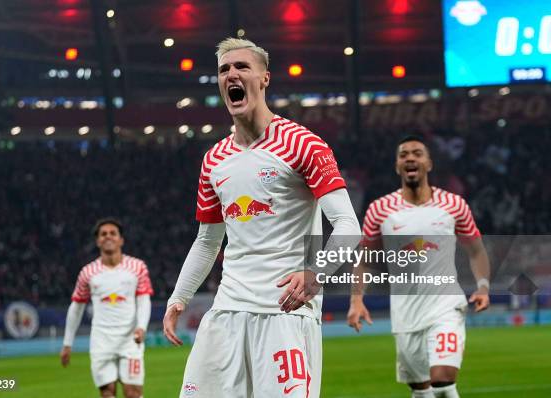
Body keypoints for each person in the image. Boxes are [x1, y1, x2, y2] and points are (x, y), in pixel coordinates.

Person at [163, 37, 361, 398]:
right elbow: (207, 241)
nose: (231, 75)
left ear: (264, 78)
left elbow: (349, 227)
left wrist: (316, 275)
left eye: (242, 67)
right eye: (224, 70)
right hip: (226, 312)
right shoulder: (214, 160)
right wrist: (179, 297)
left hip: (285, 312)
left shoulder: (303, 144)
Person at [347, 135, 491, 398]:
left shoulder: (454, 205)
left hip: (445, 305)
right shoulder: (380, 210)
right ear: (397, 166)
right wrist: (357, 301)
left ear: (429, 163)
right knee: (421, 390)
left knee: (443, 381)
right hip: (406, 312)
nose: (410, 158)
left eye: (417, 153)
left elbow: (476, 249)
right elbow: (365, 260)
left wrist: (483, 286)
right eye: (403, 155)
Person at [60, 218, 153, 398]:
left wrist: (142, 327)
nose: (108, 237)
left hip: (130, 340)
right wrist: (67, 343)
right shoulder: (88, 273)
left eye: (112, 233)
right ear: (97, 241)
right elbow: (76, 308)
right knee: (107, 393)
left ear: (121, 240)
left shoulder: (137, 267)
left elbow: (144, 300)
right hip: (101, 341)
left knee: (133, 393)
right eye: (103, 234)